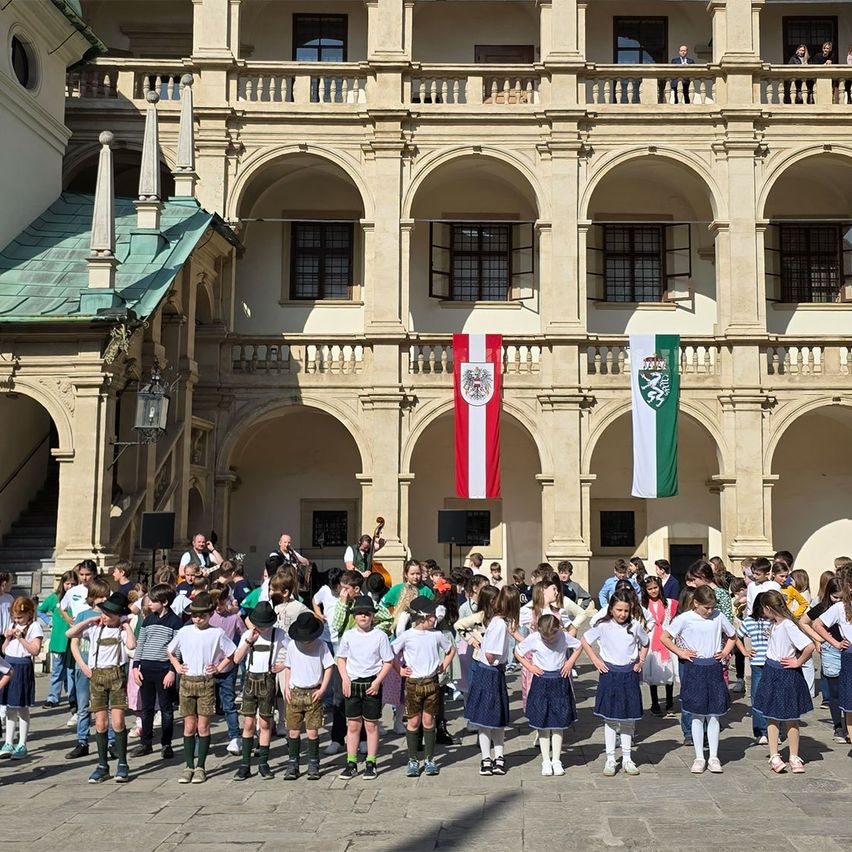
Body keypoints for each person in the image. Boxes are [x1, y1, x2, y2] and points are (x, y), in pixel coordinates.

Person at [661, 586, 736, 774]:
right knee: (696, 713)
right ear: (696, 603)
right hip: (694, 667)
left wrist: (725, 652)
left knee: (714, 714)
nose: (710, 611)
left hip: (713, 666)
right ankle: (699, 756)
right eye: (706, 608)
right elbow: (665, 637)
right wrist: (681, 652)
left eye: (712, 607)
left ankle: (714, 756)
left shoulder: (718, 616)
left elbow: (732, 636)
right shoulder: (685, 618)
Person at [167, 591, 237, 784]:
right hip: (187, 680)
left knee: (203, 725)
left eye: (202, 615)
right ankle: (188, 766)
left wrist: (218, 667)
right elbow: (170, 650)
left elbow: (231, 652)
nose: (197, 618)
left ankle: (201, 767)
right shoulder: (184, 631)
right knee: (189, 725)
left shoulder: (217, 633)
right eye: (195, 615)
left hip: (206, 681)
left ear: (210, 614)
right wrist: (177, 665)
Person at [66, 591, 136, 782]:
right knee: (100, 723)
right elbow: (70, 633)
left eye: (109, 614)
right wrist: (90, 621)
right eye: (103, 613)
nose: (104, 617)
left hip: (116, 678)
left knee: (118, 722)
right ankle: (102, 765)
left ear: (118, 616)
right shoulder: (95, 629)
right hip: (97, 678)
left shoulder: (121, 631)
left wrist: (127, 625)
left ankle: (122, 763)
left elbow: (131, 645)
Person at [582, 590, 649, 776]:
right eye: (619, 610)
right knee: (610, 719)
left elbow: (646, 642)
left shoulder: (635, 626)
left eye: (626, 611)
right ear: (611, 609)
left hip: (629, 674)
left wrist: (641, 661)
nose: (622, 614)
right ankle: (611, 758)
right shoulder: (603, 626)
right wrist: (596, 660)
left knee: (628, 719)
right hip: (610, 674)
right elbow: (585, 640)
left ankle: (627, 757)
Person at [750, 589, 815, 773]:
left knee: (791, 717)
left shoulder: (788, 625)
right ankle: (774, 755)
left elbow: (809, 646)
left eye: (763, 609)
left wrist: (797, 662)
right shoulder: (774, 624)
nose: (762, 613)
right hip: (772, 670)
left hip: (785, 673)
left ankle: (793, 755)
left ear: (769, 607)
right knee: (771, 715)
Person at [392, 596, 455, 778]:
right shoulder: (407, 636)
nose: (436, 618)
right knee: (413, 721)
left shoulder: (436, 635)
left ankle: (429, 759)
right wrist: (399, 670)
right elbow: (390, 653)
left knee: (429, 721)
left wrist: (443, 664)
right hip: (413, 683)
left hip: (432, 681)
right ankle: (412, 759)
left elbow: (451, 649)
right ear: (423, 617)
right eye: (433, 615)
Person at [515, 613, 582, 777]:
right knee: (543, 723)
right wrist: (530, 667)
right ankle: (546, 760)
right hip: (541, 681)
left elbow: (580, 645)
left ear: (557, 630)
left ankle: (557, 759)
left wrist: (570, 662)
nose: (549, 640)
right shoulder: (535, 638)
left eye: (551, 636)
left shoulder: (563, 636)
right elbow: (517, 651)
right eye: (545, 637)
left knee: (559, 723)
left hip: (559, 681)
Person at [337, 595, 394, 779]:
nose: (363, 617)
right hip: (353, 683)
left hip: (372, 683)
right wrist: (345, 679)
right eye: (360, 613)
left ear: (373, 616)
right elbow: (341, 659)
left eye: (367, 613)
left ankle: (371, 761)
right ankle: (351, 762)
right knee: (353, 725)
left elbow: (388, 661)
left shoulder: (380, 636)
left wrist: (378, 681)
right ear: (354, 616)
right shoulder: (349, 635)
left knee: (371, 724)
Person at [465, 586, 520, 777]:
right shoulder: (499, 623)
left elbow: (490, 653)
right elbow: (490, 655)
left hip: (489, 672)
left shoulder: (498, 623)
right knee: (489, 719)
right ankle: (491, 757)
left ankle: (492, 758)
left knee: (490, 719)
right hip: (490, 671)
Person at [232, 601, 286, 780]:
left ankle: (263, 763)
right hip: (250, 679)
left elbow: (293, 652)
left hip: (267, 680)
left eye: (264, 625)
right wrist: (249, 641)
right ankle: (245, 764)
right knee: (248, 723)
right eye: (259, 624)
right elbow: (237, 658)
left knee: (265, 723)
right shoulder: (249, 634)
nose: (261, 628)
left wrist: (283, 665)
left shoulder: (279, 634)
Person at [131, 582, 182, 760]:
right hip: (146, 668)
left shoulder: (176, 622)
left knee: (166, 709)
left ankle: (166, 743)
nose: (150, 604)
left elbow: (177, 650)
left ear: (165, 602)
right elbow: (141, 644)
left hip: (163, 669)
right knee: (147, 708)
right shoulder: (148, 619)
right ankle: (145, 743)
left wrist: (171, 671)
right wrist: (135, 666)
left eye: (153, 601)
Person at [282, 612, 333, 781]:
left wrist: (323, 689)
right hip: (295, 691)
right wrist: (286, 687)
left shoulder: (321, 646)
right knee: (293, 731)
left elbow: (328, 667)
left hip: (313, 691)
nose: (305, 640)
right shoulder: (292, 646)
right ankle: (293, 763)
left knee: (312, 731)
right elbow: (288, 666)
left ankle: (313, 763)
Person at [65, 576, 111, 760]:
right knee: (83, 707)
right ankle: (82, 741)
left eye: (106, 596)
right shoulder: (84, 614)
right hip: (83, 666)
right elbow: (73, 640)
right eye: (100, 597)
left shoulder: (110, 615)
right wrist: (83, 666)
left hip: (104, 667)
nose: (104, 600)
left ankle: (111, 741)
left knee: (105, 707)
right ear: (92, 597)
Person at [801, 577, 846, 742]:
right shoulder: (823, 607)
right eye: (835, 597)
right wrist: (818, 639)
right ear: (829, 594)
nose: (838, 601)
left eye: (842, 597)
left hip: (847, 649)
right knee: (834, 691)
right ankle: (838, 727)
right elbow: (804, 622)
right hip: (831, 650)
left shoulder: (846, 607)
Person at [0, 597, 43, 760]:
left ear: (29, 614)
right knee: (9, 707)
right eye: (15, 617)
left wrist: (20, 637)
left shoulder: (35, 626)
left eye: (20, 617)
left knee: (22, 706)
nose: (16, 620)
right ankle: (8, 741)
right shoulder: (12, 625)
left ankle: (22, 743)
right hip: (8, 664)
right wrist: (8, 638)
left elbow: (35, 650)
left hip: (23, 666)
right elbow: (4, 650)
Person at [812, 573, 852, 746]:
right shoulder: (840, 607)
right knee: (848, 699)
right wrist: (835, 642)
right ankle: (846, 732)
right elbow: (816, 624)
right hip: (849, 654)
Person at [209, 587, 245, 756]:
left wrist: (240, 653)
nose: (218, 607)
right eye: (215, 604)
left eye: (221, 603)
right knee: (205, 707)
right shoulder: (208, 618)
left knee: (229, 704)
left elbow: (244, 635)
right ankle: (202, 737)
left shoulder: (234, 618)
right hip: (209, 667)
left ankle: (234, 736)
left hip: (227, 666)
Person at [735, 590, 772, 744]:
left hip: (773, 662)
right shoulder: (750, 621)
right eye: (766, 608)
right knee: (757, 696)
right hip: (757, 663)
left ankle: (774, 729)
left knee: (773, 696)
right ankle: (760, 731)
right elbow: (735, 636)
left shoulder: (775, 620)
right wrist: (744, 651)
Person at [39, 570, 78, 708]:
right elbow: (40, 610)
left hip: (73, 640)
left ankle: (72, 697)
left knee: (71, 670)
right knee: (57, 670)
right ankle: (53, 697)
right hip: (58, 639)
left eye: (73, 584)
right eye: (67, 583)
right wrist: (49, 622)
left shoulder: (78, 597)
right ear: (63, 583)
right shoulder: (55, 598)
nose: (70, 586)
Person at [641, 576, 678, 717]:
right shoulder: (643, 605)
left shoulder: (669, 603)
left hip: (666, 638)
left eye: (655, 587)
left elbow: (676, 619)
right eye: (650, 589)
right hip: (651, 639)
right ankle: (655, 702)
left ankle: (669, 702)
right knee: (652, 670)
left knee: (668, 670)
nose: (653, 591)